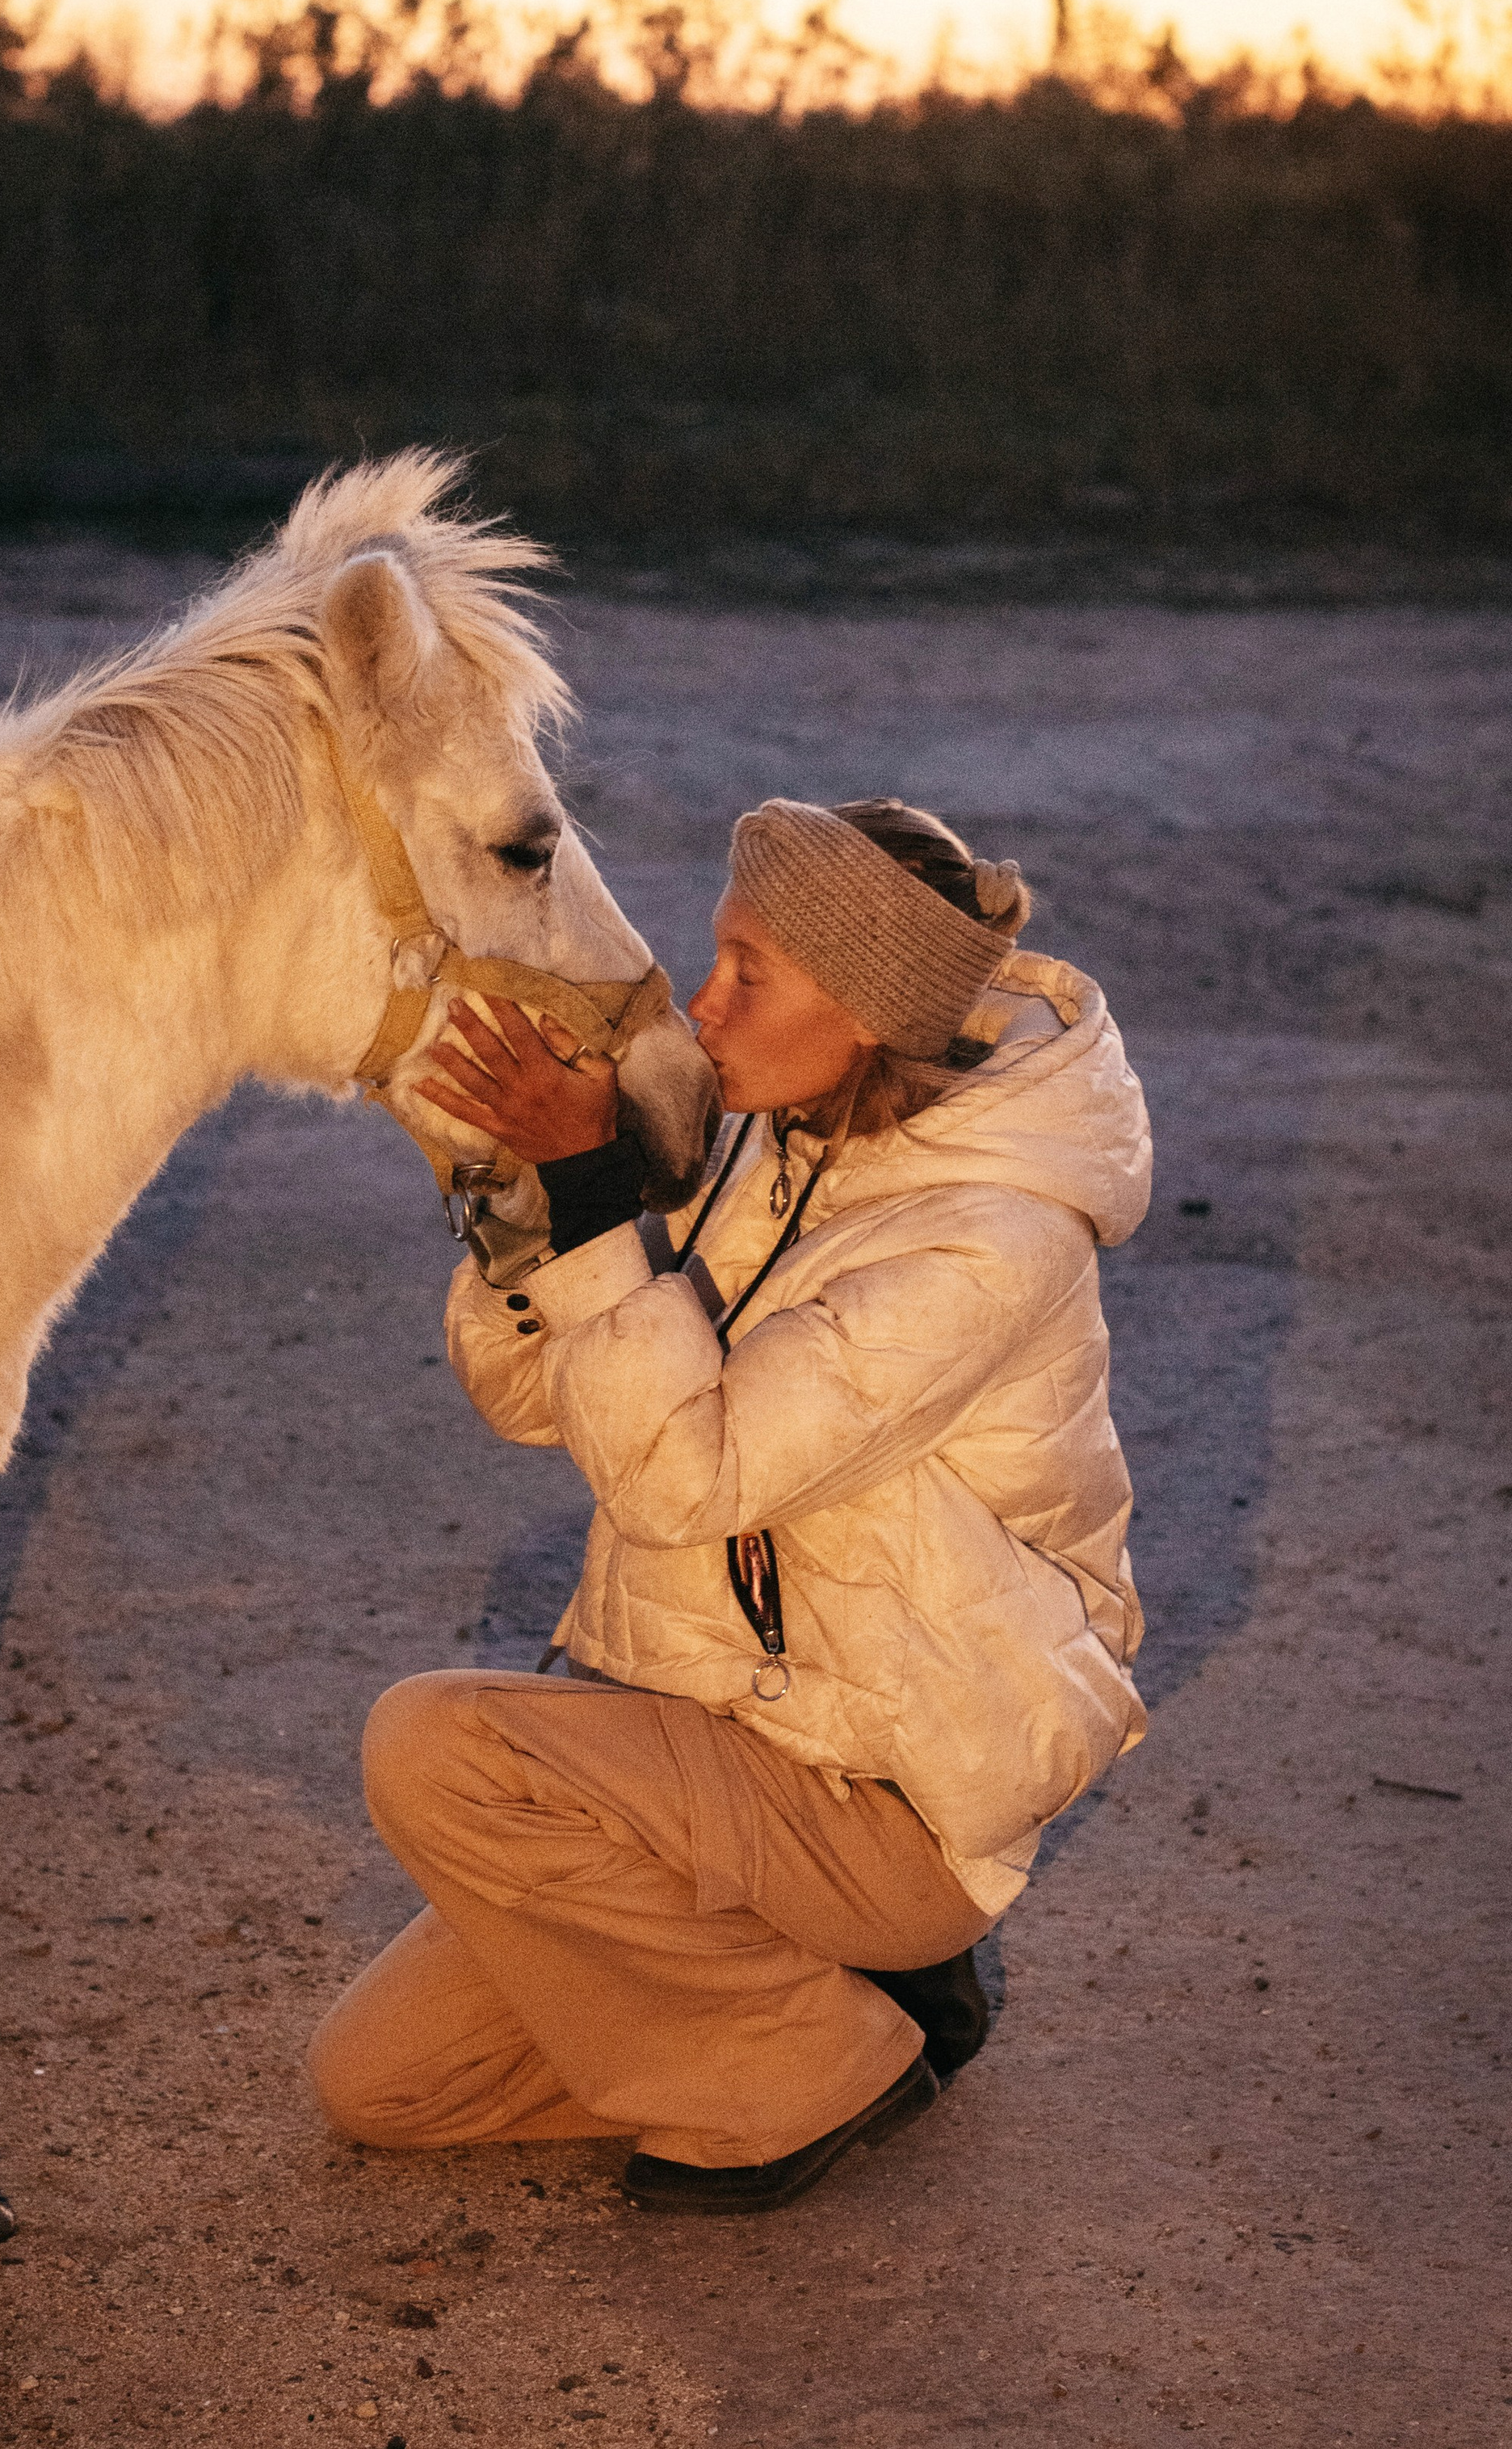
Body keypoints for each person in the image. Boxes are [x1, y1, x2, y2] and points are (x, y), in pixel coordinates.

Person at [308, 795, 1151, 2215]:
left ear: (872, 1010)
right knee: (384, 2084)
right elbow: (529, 1399)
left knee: (435, 1745)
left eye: (749, 969)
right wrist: (526, 1184)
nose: (701, 1004)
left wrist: (595, 1196)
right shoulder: (774, 1144)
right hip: (713, 1727)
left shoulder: (992, 1243)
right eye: (717, 954)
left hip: (879, 1795)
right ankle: (830, 1996)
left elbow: (682, 1477)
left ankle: (824, 2055)